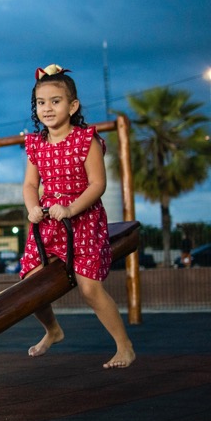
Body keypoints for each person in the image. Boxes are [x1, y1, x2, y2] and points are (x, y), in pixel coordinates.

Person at [20, 64, 135, 369]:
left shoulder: (86, 140)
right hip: (47, 223)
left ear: (72, 106)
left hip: (81, 219)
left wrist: (71, 209)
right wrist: (33, 207)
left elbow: (98, 184)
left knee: (89, 288)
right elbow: (31, 184)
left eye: (55, 101)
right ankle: (53, 330)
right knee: (30, 289)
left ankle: (124, 346)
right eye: (41, 102)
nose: (47, 108)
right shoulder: (36, 145)